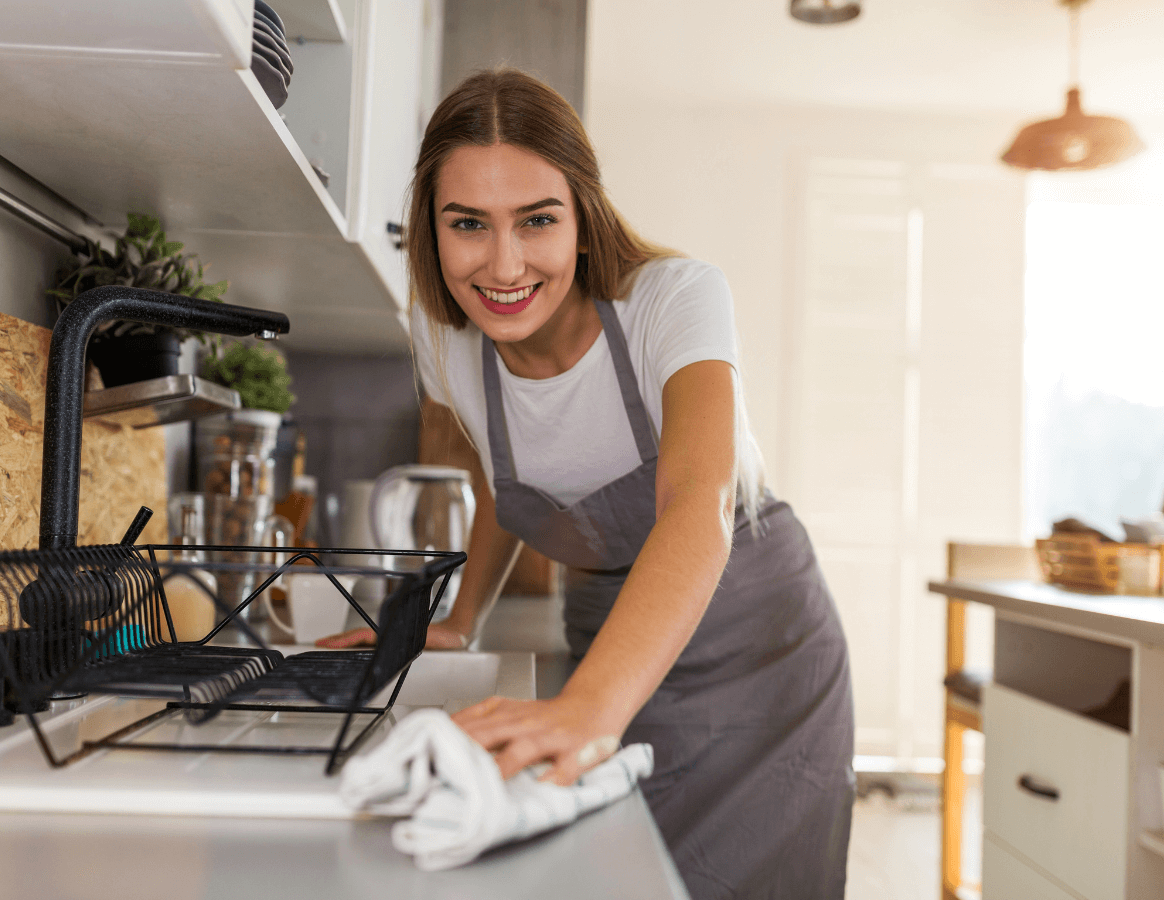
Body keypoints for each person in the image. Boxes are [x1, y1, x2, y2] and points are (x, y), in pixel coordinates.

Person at [319, 69, 855, 899]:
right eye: (468, 225)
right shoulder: (443, 338)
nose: (504, 265)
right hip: (610, 636)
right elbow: (508, 479)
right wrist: (461, 620)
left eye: (537, 221)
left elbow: (698, 501)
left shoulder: (672, 301)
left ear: (583, 213)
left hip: (760, 649)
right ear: (431, 227)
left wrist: (590, 710)